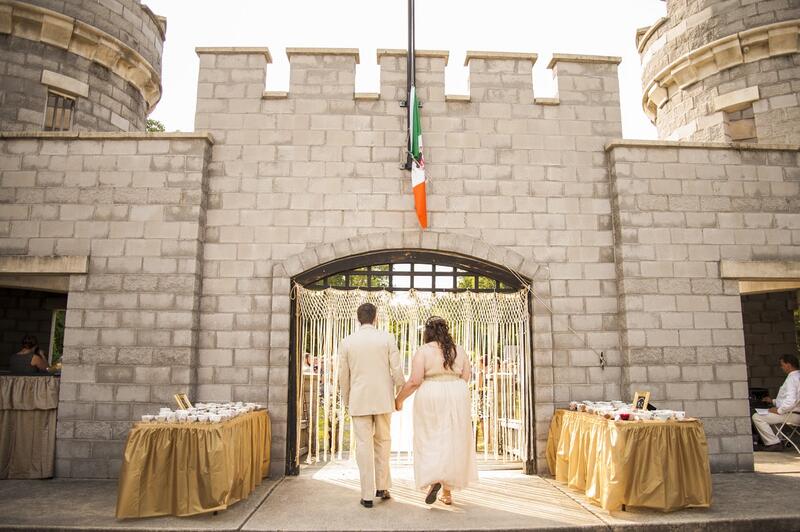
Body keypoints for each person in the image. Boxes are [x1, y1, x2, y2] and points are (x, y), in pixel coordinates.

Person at [395, 316, 478, 506]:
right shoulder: (459, 350)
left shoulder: (423, 351)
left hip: (431, 392)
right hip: (457, 393)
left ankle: (434, 479)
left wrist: (399, 400)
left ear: (427, 333)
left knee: (430, 437)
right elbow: (466, 376)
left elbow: (415, 381)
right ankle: (447, 492)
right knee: (453, 438)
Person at [338, 303, 405, 508]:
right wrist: (399, 392)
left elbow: (343, 376)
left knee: (363, 446)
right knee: (383, 441)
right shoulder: (387, 338)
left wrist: (347, 399)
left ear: (359, 319)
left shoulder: (347, 341)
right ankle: (382, 487)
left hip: (359, 398)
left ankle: (367, 495)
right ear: (375, 318)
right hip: (383, 398)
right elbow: (397, 370)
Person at [752, 354, 800, 451]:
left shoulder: (792, 378)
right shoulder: (798, 376)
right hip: (795, 413)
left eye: (782, 365)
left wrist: (779, 410)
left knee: (757, 417)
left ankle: (773, 443)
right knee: (772, 418)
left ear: (788, 365)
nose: (781, 367)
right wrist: (773, 401)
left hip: (792, 415)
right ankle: (780, 440)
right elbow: (793, 399)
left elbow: (790, 401)